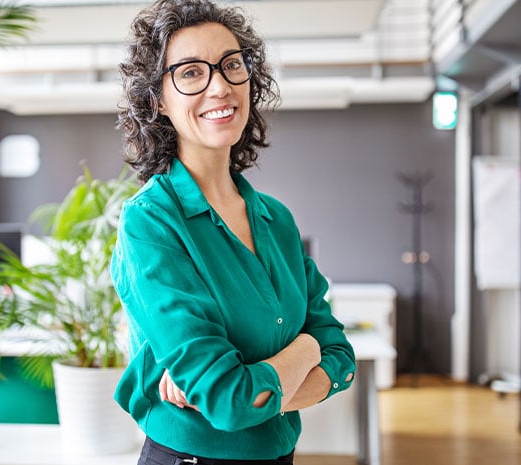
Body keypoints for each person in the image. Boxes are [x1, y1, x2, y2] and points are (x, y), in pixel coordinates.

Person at [111, 1, 356, 463]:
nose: (219, 86)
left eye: (230, 65)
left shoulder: (276, 219)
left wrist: (250, 389)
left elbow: (340, 358)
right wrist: (305, 349)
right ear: (157, 100)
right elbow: (230, 399)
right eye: (190, 73)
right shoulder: (151, 222)